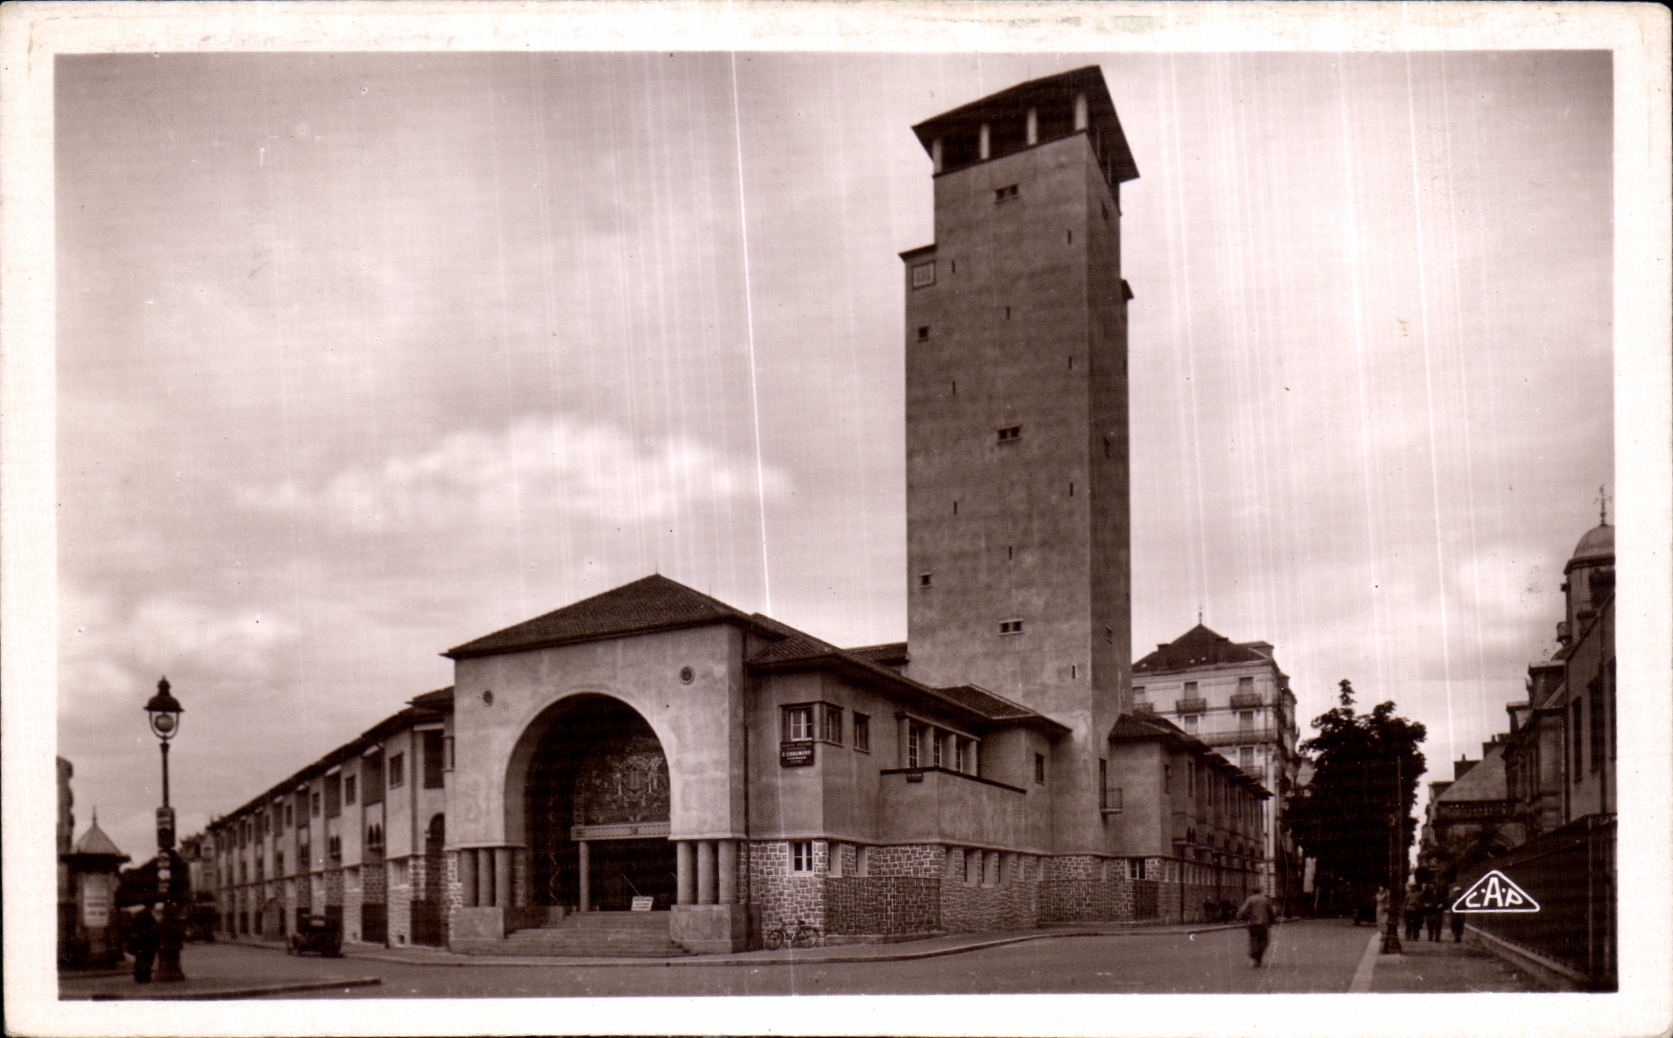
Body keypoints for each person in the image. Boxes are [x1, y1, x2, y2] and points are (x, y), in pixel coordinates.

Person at [1236, 890, 1276, 967]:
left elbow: (1243, 910)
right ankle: (1258, 955)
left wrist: (1239, 917)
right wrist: (1272, 920)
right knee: (1264, 941)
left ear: (1253, 892)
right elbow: (1270, 911)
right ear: (1260, 891)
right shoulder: (1265, 899)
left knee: (1253, 939)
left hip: (1253, 923)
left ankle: (1253, 953)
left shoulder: (1250, 899)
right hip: (1263, 923)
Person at [128, 904, 159, 984]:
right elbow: (150, 929)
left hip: (141, 942)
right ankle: (144, 977)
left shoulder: (139, 914)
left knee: (140, 959)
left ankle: (139, 976)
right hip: (147, 942)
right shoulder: (147, 915)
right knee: (147, 960)